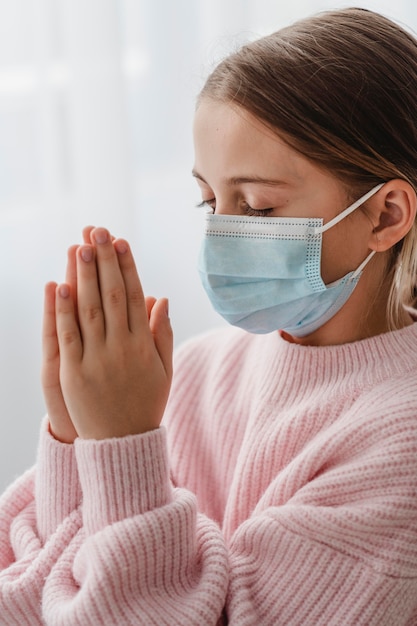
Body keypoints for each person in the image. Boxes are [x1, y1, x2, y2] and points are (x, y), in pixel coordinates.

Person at [1, 6, 417, 625]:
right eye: (209, 201)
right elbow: (29, 597)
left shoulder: (400, 445)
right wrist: (73, 439)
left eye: (254, 206)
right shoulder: (196, 371)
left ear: (384, 215)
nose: (223, 232)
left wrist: (122, 444)